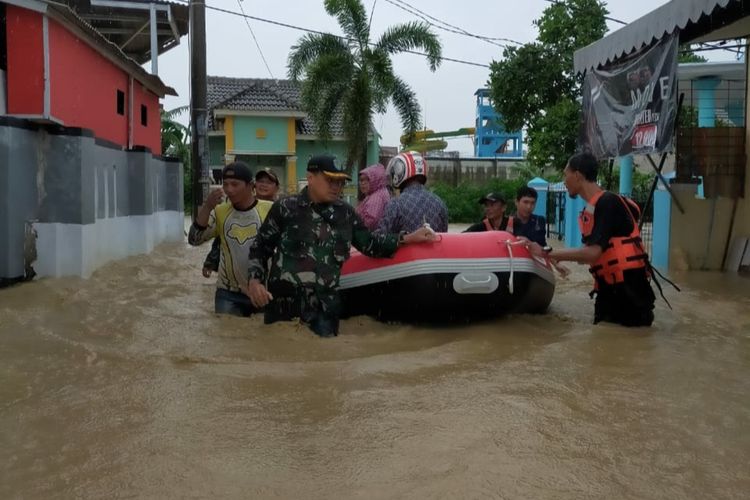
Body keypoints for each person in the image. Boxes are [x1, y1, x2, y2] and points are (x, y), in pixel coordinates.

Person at [246, 155, 435, 337]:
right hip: (284, 309)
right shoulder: (285, 208)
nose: (336, 187)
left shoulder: (346, 214)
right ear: (311, 178)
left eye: (340, 182)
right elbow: (260, 247)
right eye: (330, 180)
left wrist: (408, 238)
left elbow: (371, 244)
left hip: (324, 313)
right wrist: (255, 281)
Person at [527, 152, 656, 327]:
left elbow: (592, 254)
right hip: (608, 289)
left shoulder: (607, 203)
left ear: (578, 175)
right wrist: (557, 257)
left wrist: (545, 252)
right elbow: (589, 256)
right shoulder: (593, 209)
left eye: (566, 174)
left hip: (629, 291)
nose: (564, 181)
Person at [189, 162, 273, 317]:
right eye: (225, 185)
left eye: (235, 184)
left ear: (250, 186)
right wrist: (207, 207)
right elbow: (194, 239)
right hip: (228, 294)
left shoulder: (270, 209)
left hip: (263, 292)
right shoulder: (220, 212)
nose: (229, 190)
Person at [201, 167, 281, 276]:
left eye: (269, 182)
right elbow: (223, 235)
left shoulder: (282, 210)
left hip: (270, 272)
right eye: (260, 181)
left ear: (277, 187)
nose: (263, 185)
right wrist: (211, 261)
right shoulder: (238, 205)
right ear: (253, 185)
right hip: (237, 276)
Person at [376, 152, 448, 234]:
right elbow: (443, 236)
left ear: (399, 171)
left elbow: (381, 238)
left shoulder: (396, 204)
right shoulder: (439, 202)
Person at [355, 163, 391, 230]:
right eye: (361, 180)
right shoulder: (377, 192)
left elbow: (370, 221)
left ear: (375, 179)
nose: (363, 183)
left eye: (367, 179)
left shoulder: (377, 197)